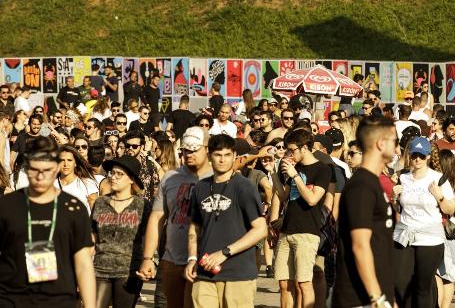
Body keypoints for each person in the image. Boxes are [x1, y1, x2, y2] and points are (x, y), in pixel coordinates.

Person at [0, 136, 97, 308]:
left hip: (58, 299)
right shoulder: (7, 205)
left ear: (56, 167)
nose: (40, 176)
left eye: (47, 170)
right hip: (12, 298)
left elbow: (83, 264)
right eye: (34, 170)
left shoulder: (74, 209)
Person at [186, 134, 267, 307]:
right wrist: (192, 258)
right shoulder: (201, 187)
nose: (222, 160)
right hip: (205, 272)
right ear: (209, 156)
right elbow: (194, 226)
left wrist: (225, 252)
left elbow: (260, 229)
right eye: (217, 155)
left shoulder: (244, 186)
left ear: (234, 156)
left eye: (227, 155)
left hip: (238, 274)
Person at [136, 126, 211, 308]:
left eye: (194, 149)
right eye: (185, 149)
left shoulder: (218, 177)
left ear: (207, 149)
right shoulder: (170, 178)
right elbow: (157, 218)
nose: (188, 154)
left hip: (205, 261)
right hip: (172, 260)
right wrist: (147, 258)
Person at [332, 116, 397, 308]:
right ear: (380, 144)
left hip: (374, 296)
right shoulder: (361, 186)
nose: (397, 147)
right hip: (358, 299)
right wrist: (376, 298)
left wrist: (387, 297)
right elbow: (360, 245)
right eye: (394, 141)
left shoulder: (373, 183)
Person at [391, 137, 455, 307]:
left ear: (427, 156)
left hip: (430, 239)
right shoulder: (402, 177)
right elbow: (397, 208)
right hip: (404, 236)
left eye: (421, 155)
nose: (417, 159)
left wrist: (439, 196)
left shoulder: (439, 179)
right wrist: (393, 197)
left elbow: (450, 209)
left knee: (422, 286)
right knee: (400, 282)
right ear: (409, 156)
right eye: (414, 155)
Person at [269, 129, 330, 308]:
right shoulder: (295, 167)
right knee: (284, 284)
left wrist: (295, 175)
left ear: (304, 148)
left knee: (304, 283)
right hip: (287, 230)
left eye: (292, 150)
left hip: (307, 232)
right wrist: (273, 172)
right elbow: (282, 196)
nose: (289, 154)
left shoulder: (322, 169)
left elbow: (312, 199)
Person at [92, 155, 150, 308]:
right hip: (100, 268)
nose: (113, 177)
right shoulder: (100, 203)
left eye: (119, 174)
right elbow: (92, 238)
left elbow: (147, 237)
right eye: (112, 173)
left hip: (128, 271)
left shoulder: (142, 205)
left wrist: (148, 261)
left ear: (132, 179)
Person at [435, 149, 455, 308]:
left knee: (441, 274)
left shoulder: (440, 182)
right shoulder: (454, 183)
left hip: (442, 230)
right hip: (449, 232)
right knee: (448, 275)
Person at [57, 144, 99, 211]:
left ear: (75, 163)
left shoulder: (88, 183)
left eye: (69, 160)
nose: (65, 164)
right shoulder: (50, 184)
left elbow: (96, 213)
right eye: (62, 160)